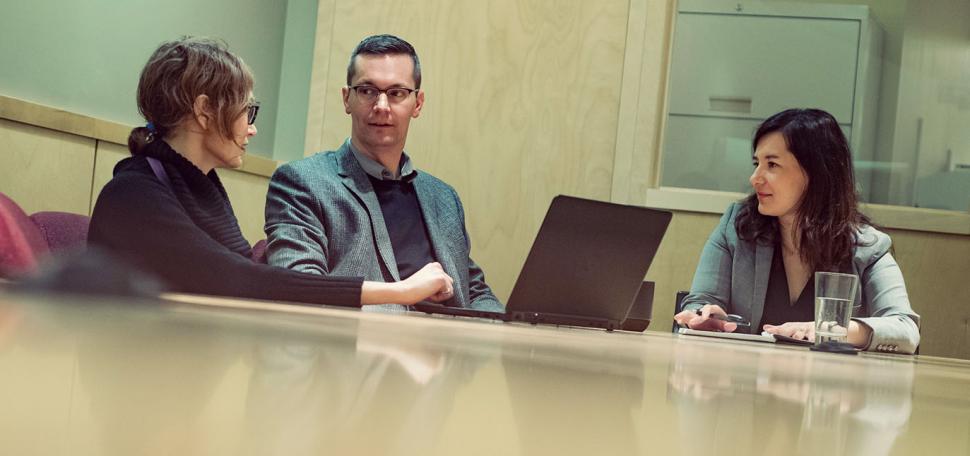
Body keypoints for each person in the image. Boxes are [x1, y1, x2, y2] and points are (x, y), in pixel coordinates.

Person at [88, 37, 454, 307]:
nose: (252, 128)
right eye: (247, 111)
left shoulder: (201, 186)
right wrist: (400, 291)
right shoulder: (132, 194)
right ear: (204, 111)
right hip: (138, 378)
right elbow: (236, 278)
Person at [264, 34, 502, 311]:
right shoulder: (302, 182)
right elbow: (298, 287)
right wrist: (404, 292)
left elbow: (473, 291)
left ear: (418, 104)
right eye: (367, 91)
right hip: (357, 337)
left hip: (448, 337)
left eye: (396, 93)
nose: (381, 106)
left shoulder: (444, 198)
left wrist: (511, 326)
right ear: (347, 99)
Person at [674, 108, 920, 354]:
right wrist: (707, 316)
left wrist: (833, 329)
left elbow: (906, 329)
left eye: (772, 164)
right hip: (748, 374)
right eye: (757, 163)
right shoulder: (737, 227)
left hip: (830, 377)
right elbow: (701, 301)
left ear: (815, 172)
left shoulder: (865, 246)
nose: (755, 178)